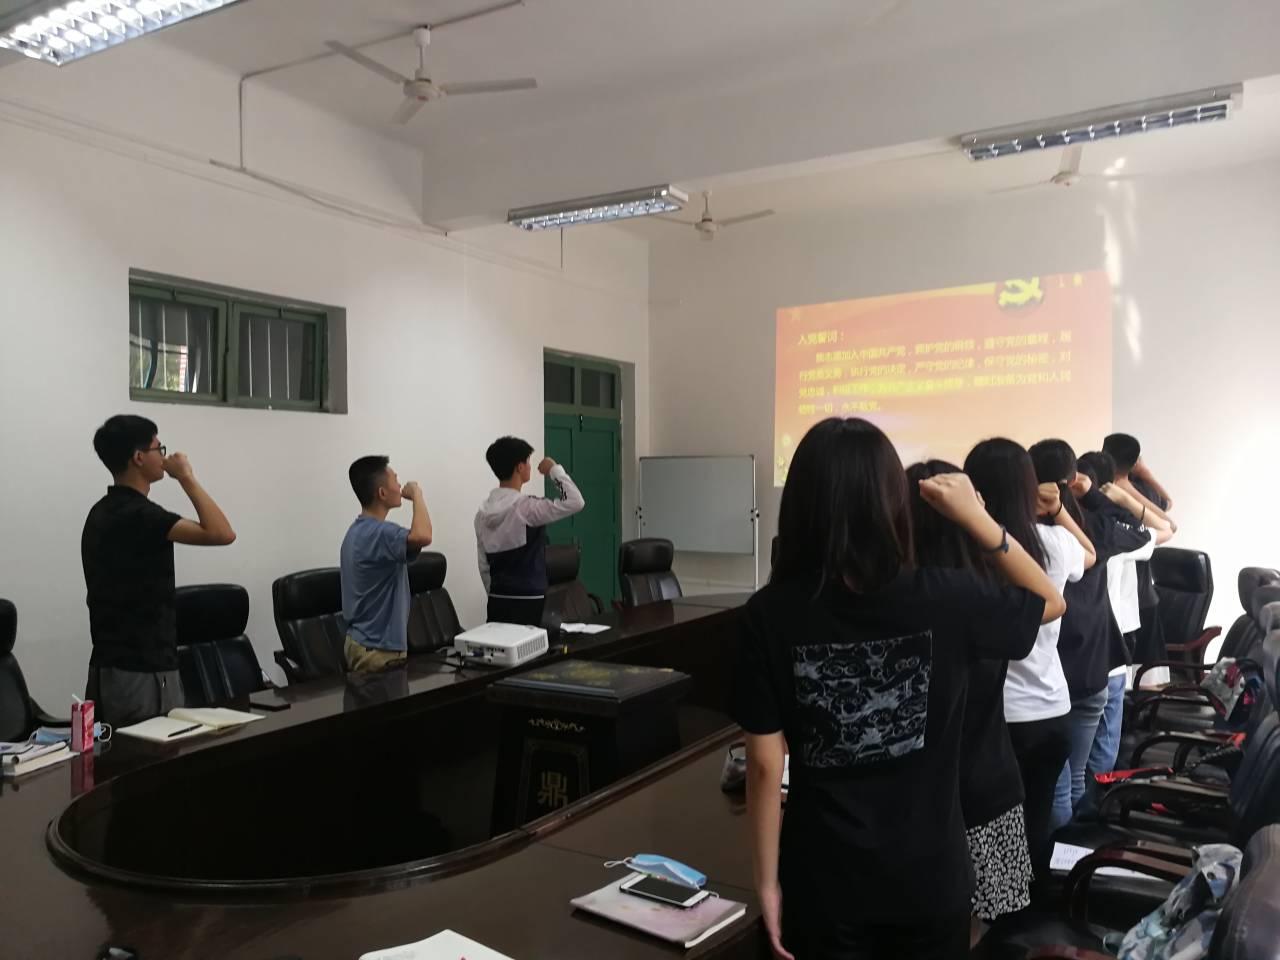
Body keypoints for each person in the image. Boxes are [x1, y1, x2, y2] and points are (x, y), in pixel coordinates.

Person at [735, 419, 1063, 960]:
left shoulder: (767, 615)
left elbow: (766, 768)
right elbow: (1050, 600)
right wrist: (979, 519)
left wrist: (766, 884)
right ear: (893, 502)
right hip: (929, 880)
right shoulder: (945, 596)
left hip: (824, 883)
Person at [906, 460, 1033, 937]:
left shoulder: (902, 602)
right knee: (986, 930)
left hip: (920, 805)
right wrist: (983, 522)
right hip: (989, 784)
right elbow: (1050, 598)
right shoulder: (984, 600)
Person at [964, 437, 1089, 876]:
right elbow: (1090, 555)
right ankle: (1028, 910)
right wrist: (1060, 511)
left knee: (990, 850)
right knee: (1032, 836)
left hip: (996, 720)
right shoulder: (1055, 543)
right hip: (1050, 709)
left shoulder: (967, 550)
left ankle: (1004, 911)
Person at [81, 414, 236, 726]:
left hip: (110, 666)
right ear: (139, 457)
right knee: (155, 750)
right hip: (143, 669)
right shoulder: (140, 515)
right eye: (158, 448)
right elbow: (222, 533)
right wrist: (186, 477)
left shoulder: (102, 511)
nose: (164, 457)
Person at [1029, 440, 1148, 833]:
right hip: (1093, 667)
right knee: (1074, 781)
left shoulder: (1020, 536)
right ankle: (1073, 853)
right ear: (1073, 478)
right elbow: (1139, 529)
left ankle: (1057, 860)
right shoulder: (1091, 524)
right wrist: (1093, 494)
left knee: (1055, 788)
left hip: (1051, 676)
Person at [475, 436, 584, 627]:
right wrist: (554, 470)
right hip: (531, 601)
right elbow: (575, 501)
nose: (530, 466)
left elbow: (483, 564)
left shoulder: (482, 515)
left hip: (498, 600)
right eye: (528, 461)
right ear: (519, 467)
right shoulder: (527, 508)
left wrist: (495, 594)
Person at [340, 456, 433, 673]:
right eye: (395, 480)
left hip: (363, 644)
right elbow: (423, 535)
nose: (400, 486)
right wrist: (417, 494)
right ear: (382, 493)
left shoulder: (357, 531)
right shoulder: (378, 533)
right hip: (377, 650)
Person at [1102, 433, 1176, 683]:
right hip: (1139, 594)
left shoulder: (1102, 494)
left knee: (1126, 679)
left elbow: (1168, 512)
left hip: (1131, 595)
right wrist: (1145, 475)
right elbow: (1168, 510)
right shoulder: (1140, 492)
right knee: (1145, 681)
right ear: (1134, 462)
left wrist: (1130, 488)